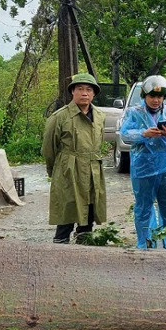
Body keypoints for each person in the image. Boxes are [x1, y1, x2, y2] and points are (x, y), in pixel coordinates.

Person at [119, 74, 166, 249]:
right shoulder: (134, 113)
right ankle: (147, 245)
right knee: (144, 208)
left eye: (160, 97)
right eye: (152, 96)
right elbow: (124, 133)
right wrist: (143, 134)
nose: (156, 100)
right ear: (144, 96)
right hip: (143, 167)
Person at [42, 72, 107, 244]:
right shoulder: (59, 117)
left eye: (88, 90)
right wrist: (54, 171)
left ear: (94, 93)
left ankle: (83, 245)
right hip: (68, 170)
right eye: (80, 89)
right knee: (67, 209)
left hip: (93, 169)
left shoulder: (100, 116)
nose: (84, 93)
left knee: (89, 211)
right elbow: (49, 149)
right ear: (73, 92)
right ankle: (60, 247)